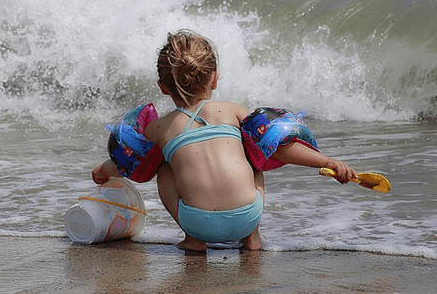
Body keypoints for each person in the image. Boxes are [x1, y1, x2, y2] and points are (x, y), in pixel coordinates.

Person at [92, 30, 357, 251]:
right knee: (255, 155)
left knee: (163, 169)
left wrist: (102, 171)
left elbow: (129, 162)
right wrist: (327, 162)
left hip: (197, 223)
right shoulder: (232, 111)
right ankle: (252, 239)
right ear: (214, 79)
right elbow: (280, 148)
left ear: (162, 87)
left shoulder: (160, 128)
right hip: (246, 215)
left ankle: (193, 241)